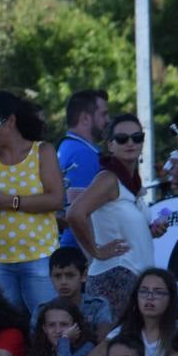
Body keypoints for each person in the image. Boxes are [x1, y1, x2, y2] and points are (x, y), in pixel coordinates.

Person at [0, 91, 66, 312]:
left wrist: (9, 202)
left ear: (10, 121)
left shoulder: (43, 151)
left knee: (46, 324)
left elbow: (56, 199)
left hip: (39, 256)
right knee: (1, 328)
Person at [67, 115, 169, 319]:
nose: (131, 143)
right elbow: (74, 213)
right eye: (122, 138)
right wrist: (95, 251)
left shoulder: (131, 184)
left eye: (137, 137)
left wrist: (150, 232)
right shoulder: (108, 179)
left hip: (134, 277)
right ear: (111, 145)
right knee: (116, 347)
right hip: (115, 277)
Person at [85, 267, 178, 356]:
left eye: (158, 292)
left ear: (171, 298)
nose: (149, 297)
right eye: (144, 291)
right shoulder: (126, 328)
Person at [57, 89, 110, 248]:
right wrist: (95, 255)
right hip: (81, 253)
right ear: (86, 118)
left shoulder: (68, 147)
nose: (108, 120)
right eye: (103, 114)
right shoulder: (82, 154)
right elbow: (79, 213)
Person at [33, 246, 112, 336]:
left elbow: (103, 341)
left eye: (70, 275)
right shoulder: (41, 311)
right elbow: (37, 344)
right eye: (57, 276)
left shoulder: (97, 306)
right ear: (50, 277)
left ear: (84, 275)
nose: (63, 282)